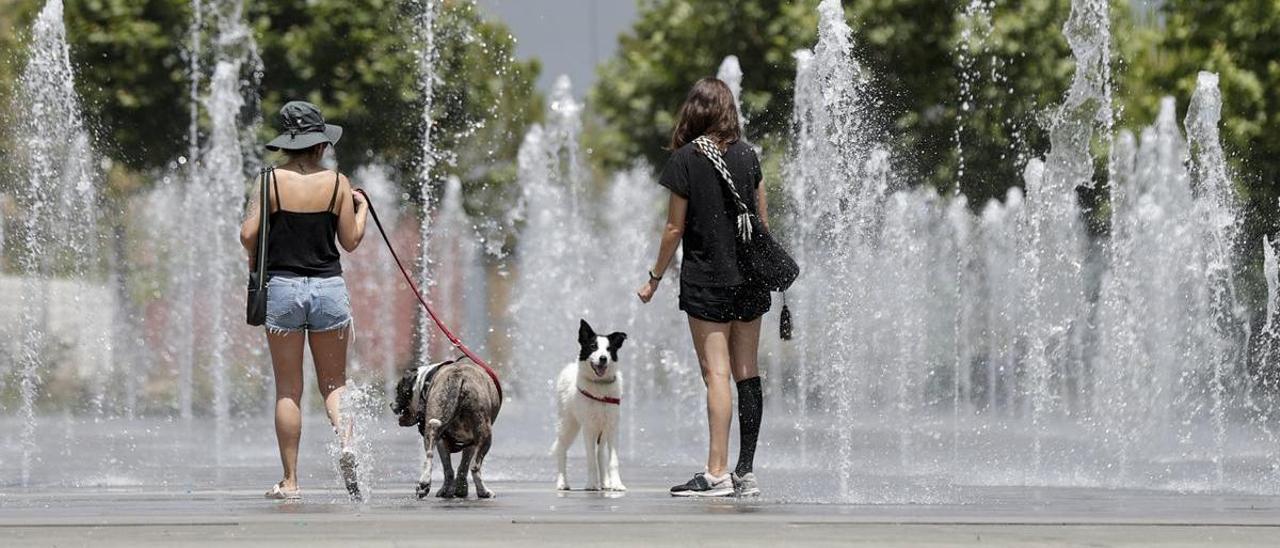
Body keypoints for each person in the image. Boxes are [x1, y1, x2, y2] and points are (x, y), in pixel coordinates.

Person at [637, 78, 768, 497]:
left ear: (694, 111)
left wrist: (654, 277)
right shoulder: (749, 157)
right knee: (746, 374)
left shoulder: (686, 159)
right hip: (750, 278)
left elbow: (674, 227)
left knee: (716, 374)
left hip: (708, 280)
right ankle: (744, 473)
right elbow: (763, 225)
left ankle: (715, 473)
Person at [239, 101, 369, 500]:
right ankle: (346, 443)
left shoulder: (269, 181)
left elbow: (247, 236)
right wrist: (361, 209)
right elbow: (349, 241)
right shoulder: (337, 183)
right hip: (328, 287)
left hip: (283, 288)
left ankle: (291, 481)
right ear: (319, 146)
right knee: (334, 384)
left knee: (288, 390)